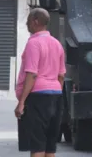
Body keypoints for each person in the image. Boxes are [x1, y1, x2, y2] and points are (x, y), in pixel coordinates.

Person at [15, 8, 66, 157]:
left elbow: (32, 74)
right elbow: (61, 75)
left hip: (37, 98)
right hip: (56, 96)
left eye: (28, 21)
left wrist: (22, 102)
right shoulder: (57, 44)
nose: (26, 24)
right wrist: (56, 95)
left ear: (35, 21)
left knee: (37, 144)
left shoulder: (34, 43)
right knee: (50, 146)